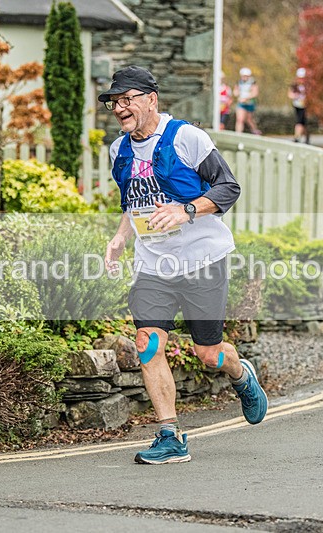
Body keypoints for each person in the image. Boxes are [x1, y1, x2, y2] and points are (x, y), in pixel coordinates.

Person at [98, 65, 268, 465]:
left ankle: (240, 373)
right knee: (148, 343)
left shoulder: (186, 137)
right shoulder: (119, 150)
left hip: (202, 259)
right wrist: (120, 238)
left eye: (127, 100)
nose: (120, 108)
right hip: (153, 264)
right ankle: (170, 435)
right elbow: (133, 203)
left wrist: (186, 209)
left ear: (151, 100)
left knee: (208, 354)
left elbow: (228, 187)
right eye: (114, 102)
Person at [233, 67, 261, 135]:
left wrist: (246, 98)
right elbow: (235, 91)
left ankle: (255, 132)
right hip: (241, 104)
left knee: (249, 120)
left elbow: (255, 93)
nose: (244, 77)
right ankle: (238, 134)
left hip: (249, 104)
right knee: (240, 119)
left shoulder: (252, 83)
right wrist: (236, 93)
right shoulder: (239, 82)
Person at [287, 67, 308, 143]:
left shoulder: (306, 85)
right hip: (298, 105)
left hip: (305, 105)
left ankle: (305, 137)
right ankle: (297, 137)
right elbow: (290, 94)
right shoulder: (295, 85)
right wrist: (296, 96)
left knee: (304, 122)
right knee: (299, 121)